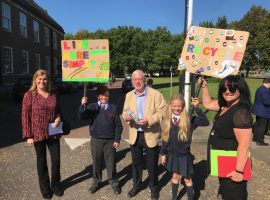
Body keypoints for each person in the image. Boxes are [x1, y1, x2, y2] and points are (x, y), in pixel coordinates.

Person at [201, 75, 253, 200]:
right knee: (226, 192)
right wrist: (204, 87)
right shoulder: (225, 105)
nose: (227, 91)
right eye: (224, 89)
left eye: (232, 88)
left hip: (233, 164)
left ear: (240, 90)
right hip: (224, 161)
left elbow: (244, 145)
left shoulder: (241, 111)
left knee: (233, 194)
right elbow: (207, 104)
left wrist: (239, 171)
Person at [122, 69, 166, 200]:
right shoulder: (129, 95)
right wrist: (126, 117)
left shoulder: (155, 94)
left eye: (139, 79)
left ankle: (154, 187)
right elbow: (125, 110)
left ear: (144, 80)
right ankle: (137, 184)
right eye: (134, 79)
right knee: (136, 163)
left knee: (152, 163)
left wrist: (149, 120)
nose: (137, 82)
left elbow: (162, 112)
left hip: (150, 133)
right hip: (135, 134)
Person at [22, 69, 63, 199]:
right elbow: (25, 116)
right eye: (39, 79)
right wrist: (28, 135)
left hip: (53, 132)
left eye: (44, 79)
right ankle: (45, 189)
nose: (42, 81)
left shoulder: (53, 94)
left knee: (56, 159)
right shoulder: (29, 95)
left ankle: (55, 185)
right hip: (37, 133)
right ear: (35, 80)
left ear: (48, 80)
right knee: (42, 161)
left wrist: (58, 117)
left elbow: (58, 110)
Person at [160, 94, 209, 200]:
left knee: (187, 179)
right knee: (175, 176)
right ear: (170, 106)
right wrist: (163, 153)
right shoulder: (167, 120)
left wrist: (197, 108)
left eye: (179, 106)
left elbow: (205, 122)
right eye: (174, 106)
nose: (177, 108)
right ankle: (174, 198)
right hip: (172, 154)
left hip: (184, 156)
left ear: (183, 106)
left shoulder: (189, 120)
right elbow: (165, 138)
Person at [78, 84, 123, 195]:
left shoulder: (113, 108)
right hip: (96, 140)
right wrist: (82, 106)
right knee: (97, 162)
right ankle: (96, 181)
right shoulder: (93, 107)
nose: (104, 98)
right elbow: (82, 117)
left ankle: (114, 182)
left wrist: (117, 139)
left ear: (108, 96)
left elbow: (118, 126)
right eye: (102, 96)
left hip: (110, 141)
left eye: (106, 96)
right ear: (98, 96)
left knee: (111, 162)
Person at [252, 78, 270, 146]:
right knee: (262, 126)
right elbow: (266, 102)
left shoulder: (259, 88)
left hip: (258, 110)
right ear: (268, 83)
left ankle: (255, 138)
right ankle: (260, 141)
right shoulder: (265, 91)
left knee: (257, 125)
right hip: (263, 111)